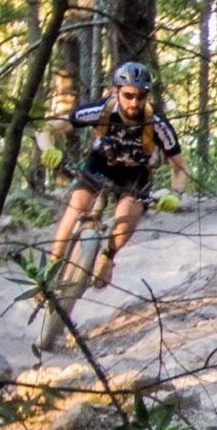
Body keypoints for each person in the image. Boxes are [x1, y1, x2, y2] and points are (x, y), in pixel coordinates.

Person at [36, 61, 191, 289]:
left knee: (128, 216)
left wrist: (175, 193)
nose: (134, 103)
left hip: (135, 173)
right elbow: (46, 128)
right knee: (78, 204)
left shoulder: (157, 124)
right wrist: (48, 148)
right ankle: (50, 269)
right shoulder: (100, 110)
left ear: (147, 96)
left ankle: (107, 257)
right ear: (115, 91)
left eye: (141, 96)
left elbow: (181, 168)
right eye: (128, 95)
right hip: (101, 163)